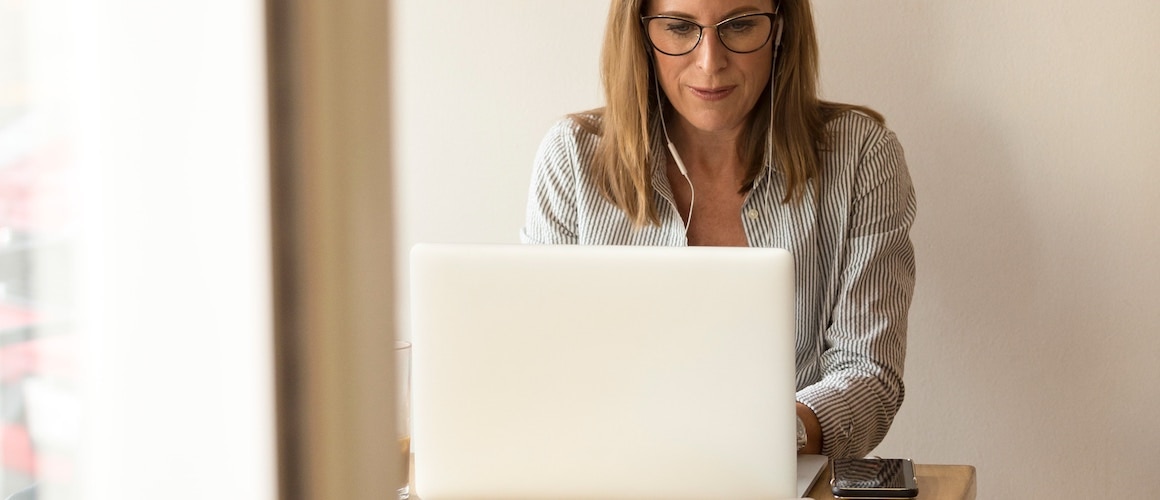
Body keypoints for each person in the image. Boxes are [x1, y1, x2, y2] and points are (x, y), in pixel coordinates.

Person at [520, 0, 915, 459]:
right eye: (679, 28)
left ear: (781, 27)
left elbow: (869, 372)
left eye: (741, 25)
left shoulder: (862, 156)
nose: (710, 62)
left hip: (782, 476)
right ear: (642, 34)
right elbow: (546, 366)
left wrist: (777, 438)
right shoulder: (572, 159)